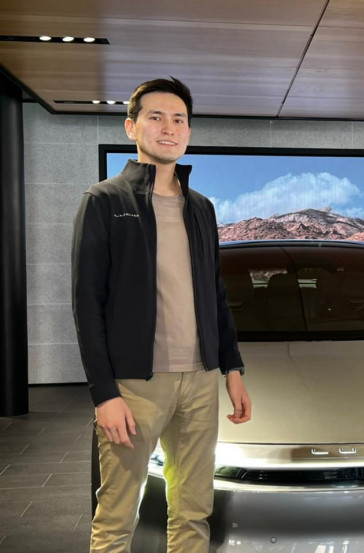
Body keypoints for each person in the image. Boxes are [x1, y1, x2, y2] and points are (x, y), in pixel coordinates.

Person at [72, 77, 252, 553]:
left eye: (179, 120)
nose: (169, 128)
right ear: (132, 127)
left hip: (200, 382)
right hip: (135, 387)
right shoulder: (105, 201)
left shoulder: (201, 208)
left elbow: (216, 294)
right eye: (156, 117)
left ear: (188, 131)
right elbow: (87, 303)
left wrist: (232, 369)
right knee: (116, 516)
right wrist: (104, 394)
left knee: (193, 512)